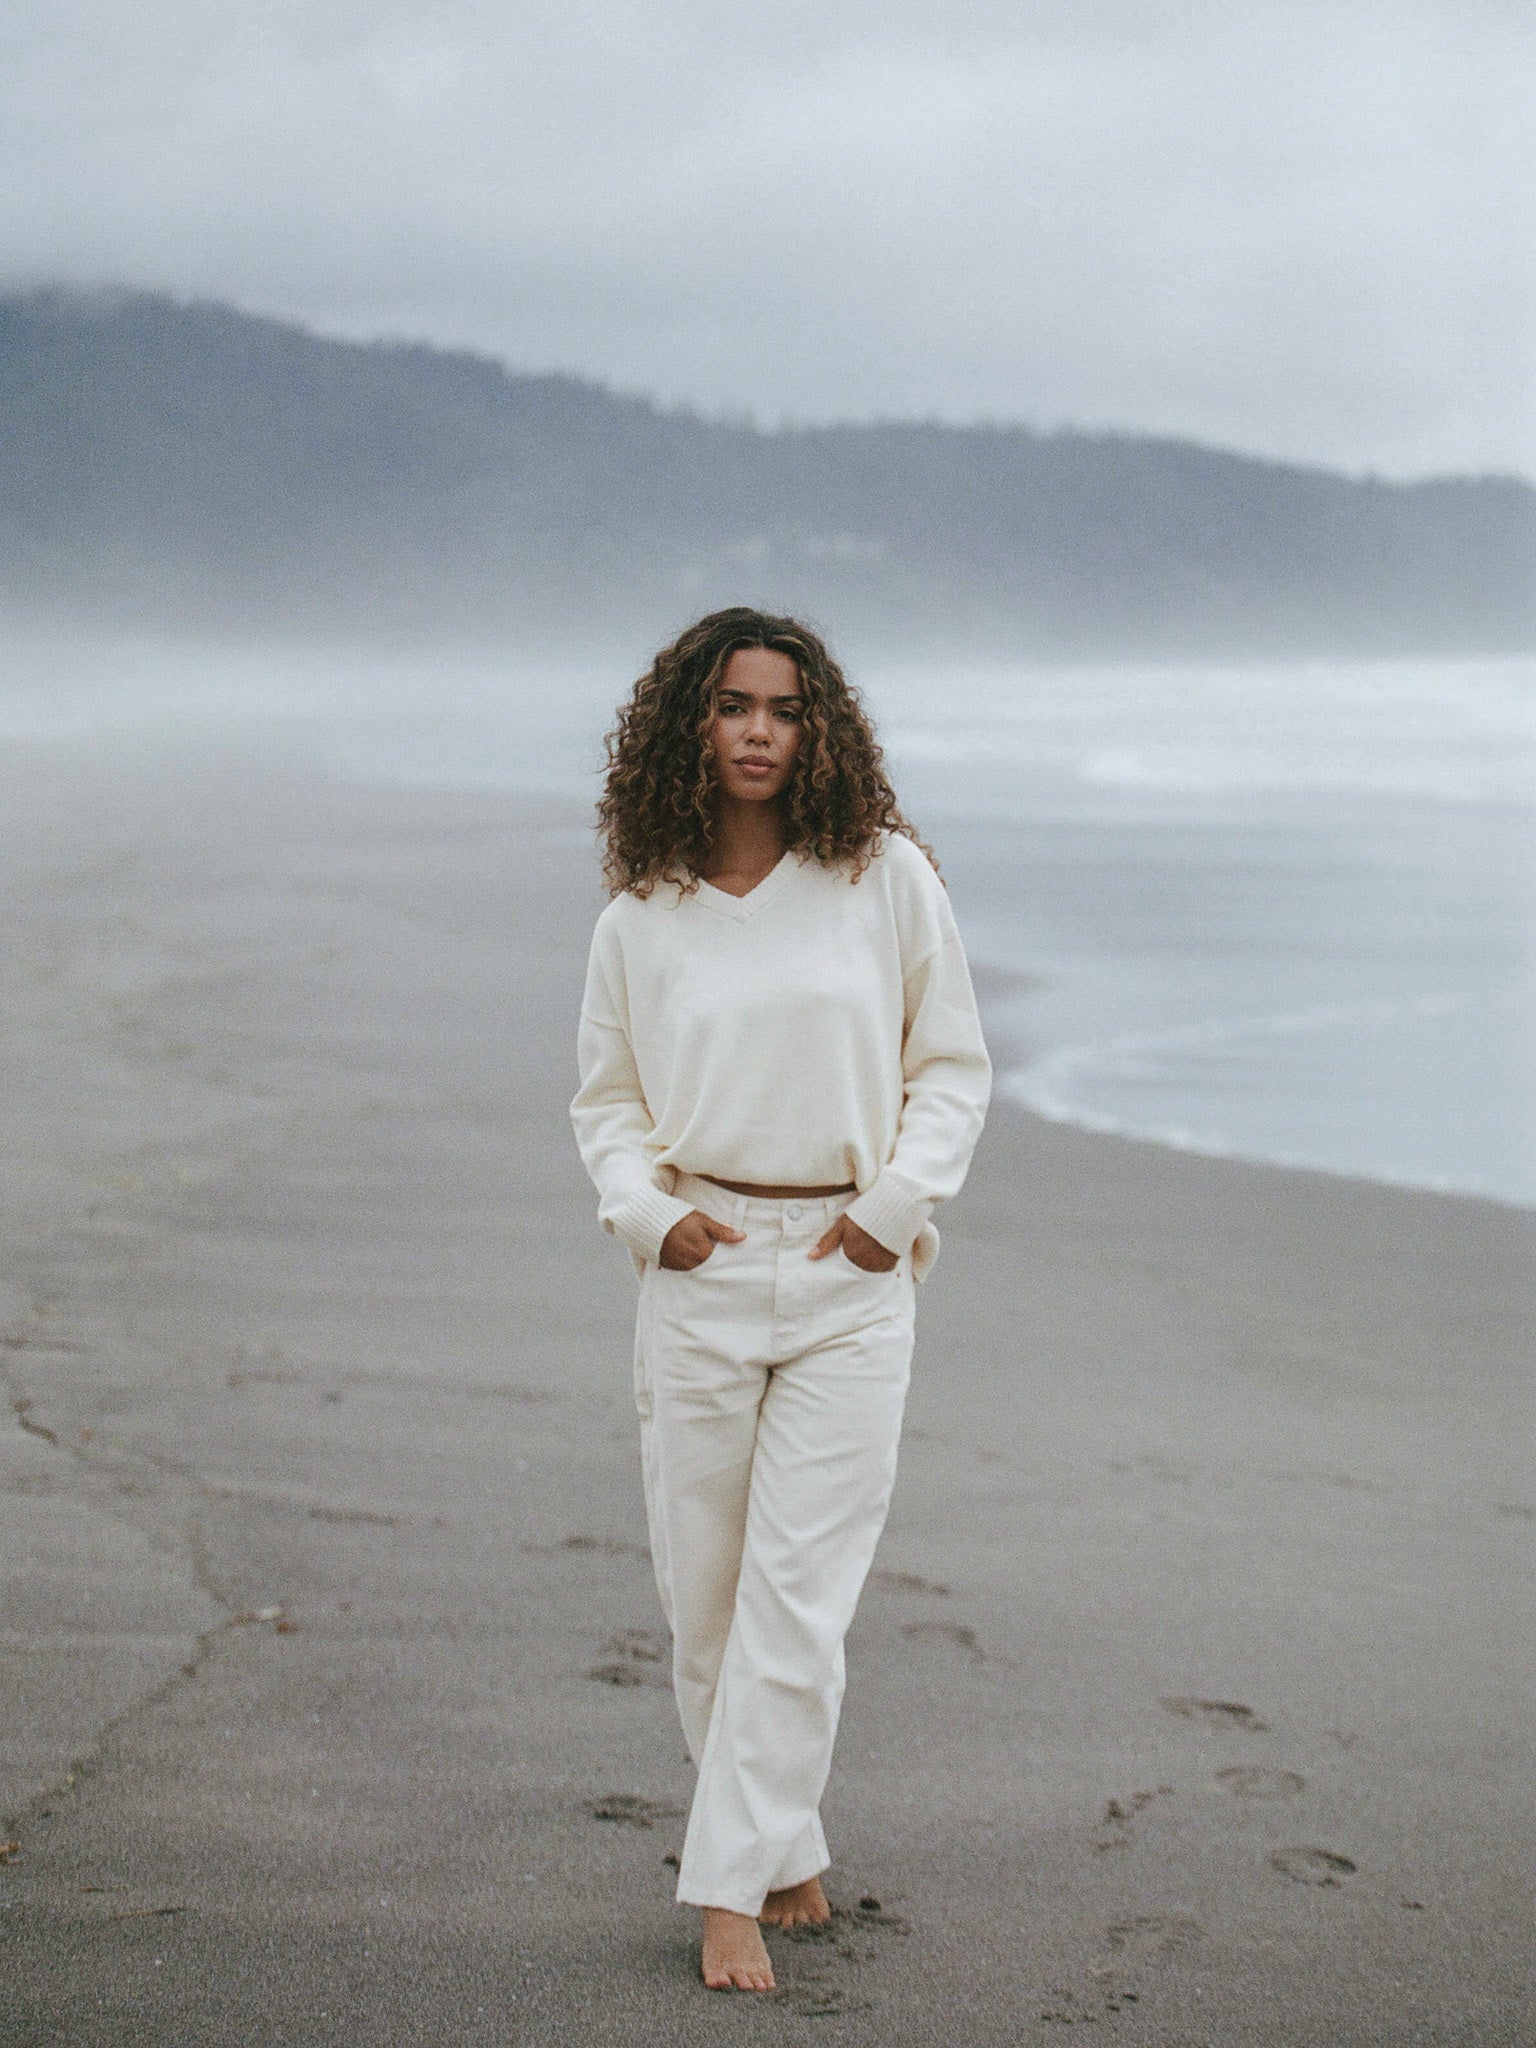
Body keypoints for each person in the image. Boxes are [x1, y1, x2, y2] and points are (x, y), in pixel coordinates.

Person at [570, 607, 991, 1992]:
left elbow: (952, 1068)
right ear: (691, 722)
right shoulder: (641, 914)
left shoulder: (884, 881)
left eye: (786, 708)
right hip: (695, 1270)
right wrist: (648, 1218)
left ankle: (727, 1898)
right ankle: (786, 1844)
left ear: (819, 730)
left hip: (847, 1280)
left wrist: (887, 1220)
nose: (760, 729)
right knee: (707, 1604)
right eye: (735, 704)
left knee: (795, 1601)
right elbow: (609, 1104)